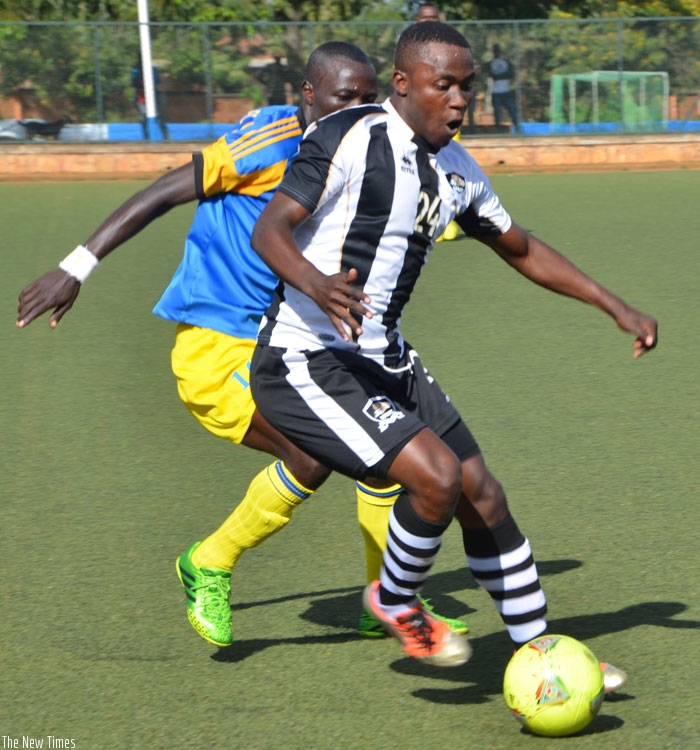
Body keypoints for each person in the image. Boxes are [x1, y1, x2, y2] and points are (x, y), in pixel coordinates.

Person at [16, 42, 467, 649]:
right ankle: (210, 561)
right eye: (343, 99)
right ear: (309, 96)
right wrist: (76, 266)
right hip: (218, 345)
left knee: (385, 453)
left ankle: (383, 600)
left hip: (294, 344)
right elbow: (165, 191)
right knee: (311, 458)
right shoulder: (273, 141)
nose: (357, 110)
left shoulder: (363, 148)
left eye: (367, 100)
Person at [250, 21, 656, 686]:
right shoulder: (348, 136)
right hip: (305, 360)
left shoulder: (458, 171)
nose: (462, 99)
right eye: (446, 85)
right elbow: (271, 229)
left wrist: (614, 304)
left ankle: (541, 653)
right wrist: (316, 282)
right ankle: (393, 598)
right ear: (404, 85)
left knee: (482, 495)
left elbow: (520, 248)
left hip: (386, 360)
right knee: (436, 476)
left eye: (468, 86)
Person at [415, 2, 460, 241]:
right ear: (416, 22)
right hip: (418, 120)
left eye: (433, 18)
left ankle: (447, 219)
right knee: (421, 168)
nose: (430, 22)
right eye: (425, 19)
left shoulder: (450, 46)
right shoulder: (408, 48)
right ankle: (425, 217)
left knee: (446, 168)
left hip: (446, 117)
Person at [131, 58, 170, 141]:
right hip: (141, 96)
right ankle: (146, 138)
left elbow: (157, 81)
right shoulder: (136, 71)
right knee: (143, 117)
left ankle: (166, 137)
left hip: (153, 96)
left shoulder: (152, 70)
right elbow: (133, 83)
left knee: (159, 116)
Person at [487, 43, 519, 134]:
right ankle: (499, 131)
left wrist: (499, 76)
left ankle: (518, 129)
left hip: (506, 90)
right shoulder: (490, 63)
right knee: (497, 113)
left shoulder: (506, 62)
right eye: (495, 51)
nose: (496, 52)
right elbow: (492, 76)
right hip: (496, 91)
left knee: (512, 111)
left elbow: (511, 74)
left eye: (498, 51)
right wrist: (503, 75)